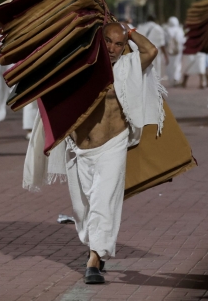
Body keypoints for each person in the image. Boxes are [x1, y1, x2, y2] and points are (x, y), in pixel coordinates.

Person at [24, 23, 162, 284]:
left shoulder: (128, 67)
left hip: (113, 145)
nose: (112, 48)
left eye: (118, 44)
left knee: (103, 202)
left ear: (125, 47)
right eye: (107, 41)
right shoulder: (81, 66)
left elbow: (151, 50)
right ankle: (96, 247)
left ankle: (94, 261)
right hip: (78, 148)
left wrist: (129, 30)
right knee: (82, 210)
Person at [164, 16, 184, 87]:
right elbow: (182, 40)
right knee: (177, 64)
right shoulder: (179, 30)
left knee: (170, 65)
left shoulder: (167, 30)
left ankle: (171, 79)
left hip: (169, 50)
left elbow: (165, 41)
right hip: (178, 50)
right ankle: (176, 78)